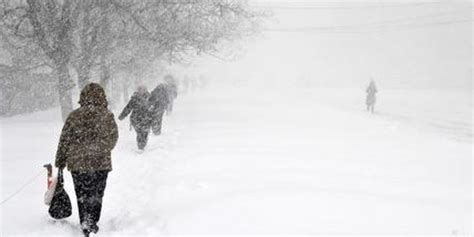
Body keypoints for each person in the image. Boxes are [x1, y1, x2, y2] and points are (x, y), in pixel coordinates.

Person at [55, 83, 118, 237]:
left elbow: (64, 139)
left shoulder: (74, 116)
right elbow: (113, 137)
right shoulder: (107, 115)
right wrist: (101, 149)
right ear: (102, 97)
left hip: (78, 163)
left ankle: (85, 220)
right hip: (100, 163)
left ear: (82, 97)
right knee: (97, 194)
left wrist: (60, 161)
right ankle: (92, 220)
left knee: (82, 194)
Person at [119, 86, 152, 150]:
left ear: (146, 90)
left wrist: (153, 117)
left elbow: (153, 109)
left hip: (147, 119)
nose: (142, 91)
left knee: (145, 133)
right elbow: (128, 108)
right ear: (138, 90)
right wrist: (122, 116)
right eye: (140, 90)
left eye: (143, 89)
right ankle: (140, 146)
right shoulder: (134, 98)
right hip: (136, 118)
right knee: (139, 132)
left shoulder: (150, 98)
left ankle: (143, 144)